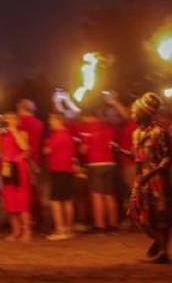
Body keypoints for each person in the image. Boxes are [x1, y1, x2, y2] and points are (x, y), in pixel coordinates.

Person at [112, 93, 172, 263]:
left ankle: (164, 252)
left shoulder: (160, 132)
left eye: (134, 111)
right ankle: (158, 242)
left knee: (160, 216)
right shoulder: (136, 133)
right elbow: (136, 156)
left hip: (157, 181)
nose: (132, 114)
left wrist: (152, 174)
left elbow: (168, 158)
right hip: (142, 179)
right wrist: (120, 151)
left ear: (145, 112)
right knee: (138, 215)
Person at [77, 104, 119, 231]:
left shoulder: (87, 129)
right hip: (110, 163)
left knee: (97, 195)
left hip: (95, 164)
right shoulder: (108, 127)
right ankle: (113, 224)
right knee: (109, 195)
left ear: (87, 116)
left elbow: (83, 150)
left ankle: (100, 225)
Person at [0, 111, 33, 241]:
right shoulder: (1, 134)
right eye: (6, 118)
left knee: (22, 201)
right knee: (10, 201)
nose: (8, 120)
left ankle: (27, 230)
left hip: (19, 169)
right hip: (6, 169)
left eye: (11, 118)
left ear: (17, 120)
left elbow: (24, 147)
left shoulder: (22, 133)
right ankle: (15, 230)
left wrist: (13, 130)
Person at [45, 111, 80, 240]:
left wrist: (47, 146)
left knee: (56, 201)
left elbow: (47, 150)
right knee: (67, 200)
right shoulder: (68, 135)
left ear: (59, 120)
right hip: (68, 170)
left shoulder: (57, 135)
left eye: (52, 120)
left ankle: (60, 229)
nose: (50, 123)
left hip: (58, 170)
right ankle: (69, 228)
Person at [17, 98, 45, 230]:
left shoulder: (22, 123)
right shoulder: (39, 123)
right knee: (36, 191)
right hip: (37, 159)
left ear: (21, 109)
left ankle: (28, 220)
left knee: (25, 192)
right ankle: (39, 219)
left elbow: (22, 142)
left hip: (26, 160)